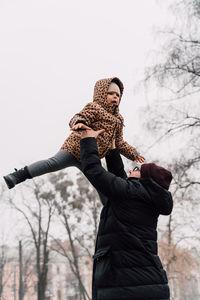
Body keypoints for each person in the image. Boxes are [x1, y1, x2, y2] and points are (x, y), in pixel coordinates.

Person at [79, 125, 173, 300]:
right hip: (149, 284)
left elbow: (94, 171)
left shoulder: (131, 192)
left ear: (144, 178)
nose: (132, 169)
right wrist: (112, 148)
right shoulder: (147, 197)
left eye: (137, 169)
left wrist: (88, 139)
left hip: (124, 286)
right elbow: (121, 180)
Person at [4, 77, 145, 189]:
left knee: (102, 185)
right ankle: (17, 176)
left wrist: (133, 153)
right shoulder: (94, 107)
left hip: (90, 158)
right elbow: (78, 116)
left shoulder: (119, 119)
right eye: (111, 94)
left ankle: (113, 213)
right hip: (74, 148)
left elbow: (119, 142)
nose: (115, 97)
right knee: (52, 163)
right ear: (102, 94)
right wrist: (79, 123)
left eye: (118, 95)